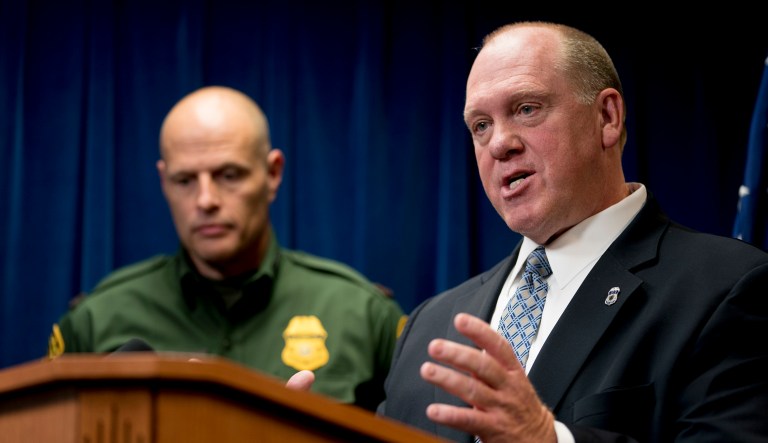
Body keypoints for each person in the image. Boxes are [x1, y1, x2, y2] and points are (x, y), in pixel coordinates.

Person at [287, 21, 768, 441]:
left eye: (526, 109)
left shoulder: (728, 288)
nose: (499, 143)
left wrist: (548, 441)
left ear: (607, 117)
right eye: (480, 125)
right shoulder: (428, 326)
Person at [47, 85, 406, 412]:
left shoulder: (362, 316)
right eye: (184, 180)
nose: (205, 200)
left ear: (272, 174)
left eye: (229, 175)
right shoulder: (96, 321)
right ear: (163, 182)